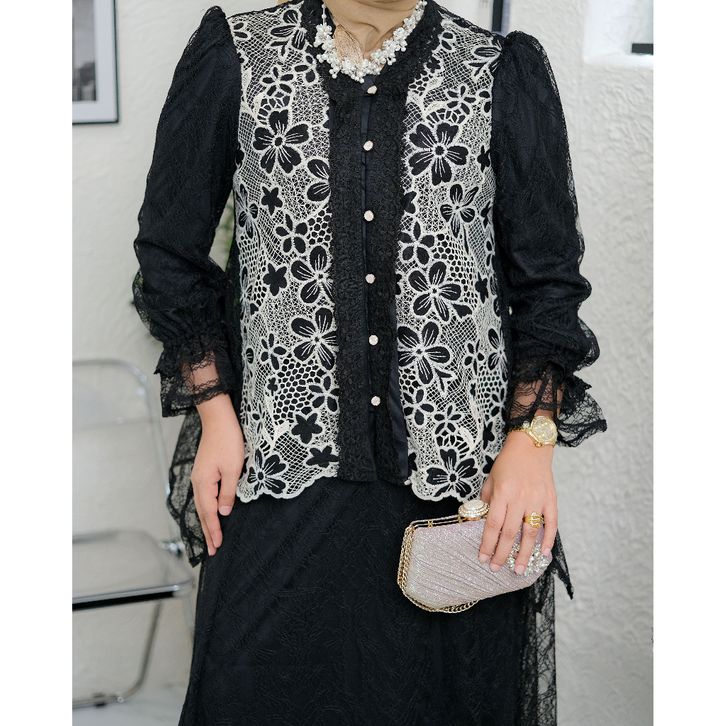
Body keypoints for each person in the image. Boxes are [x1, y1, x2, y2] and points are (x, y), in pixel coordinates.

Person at [131, 0, 607, 723]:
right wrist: (216, 413)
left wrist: (532, 442)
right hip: (278, 465)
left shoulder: (499, 72)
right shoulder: (237, 56)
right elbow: (169, 254)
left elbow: (549, 283)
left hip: (457, 492)